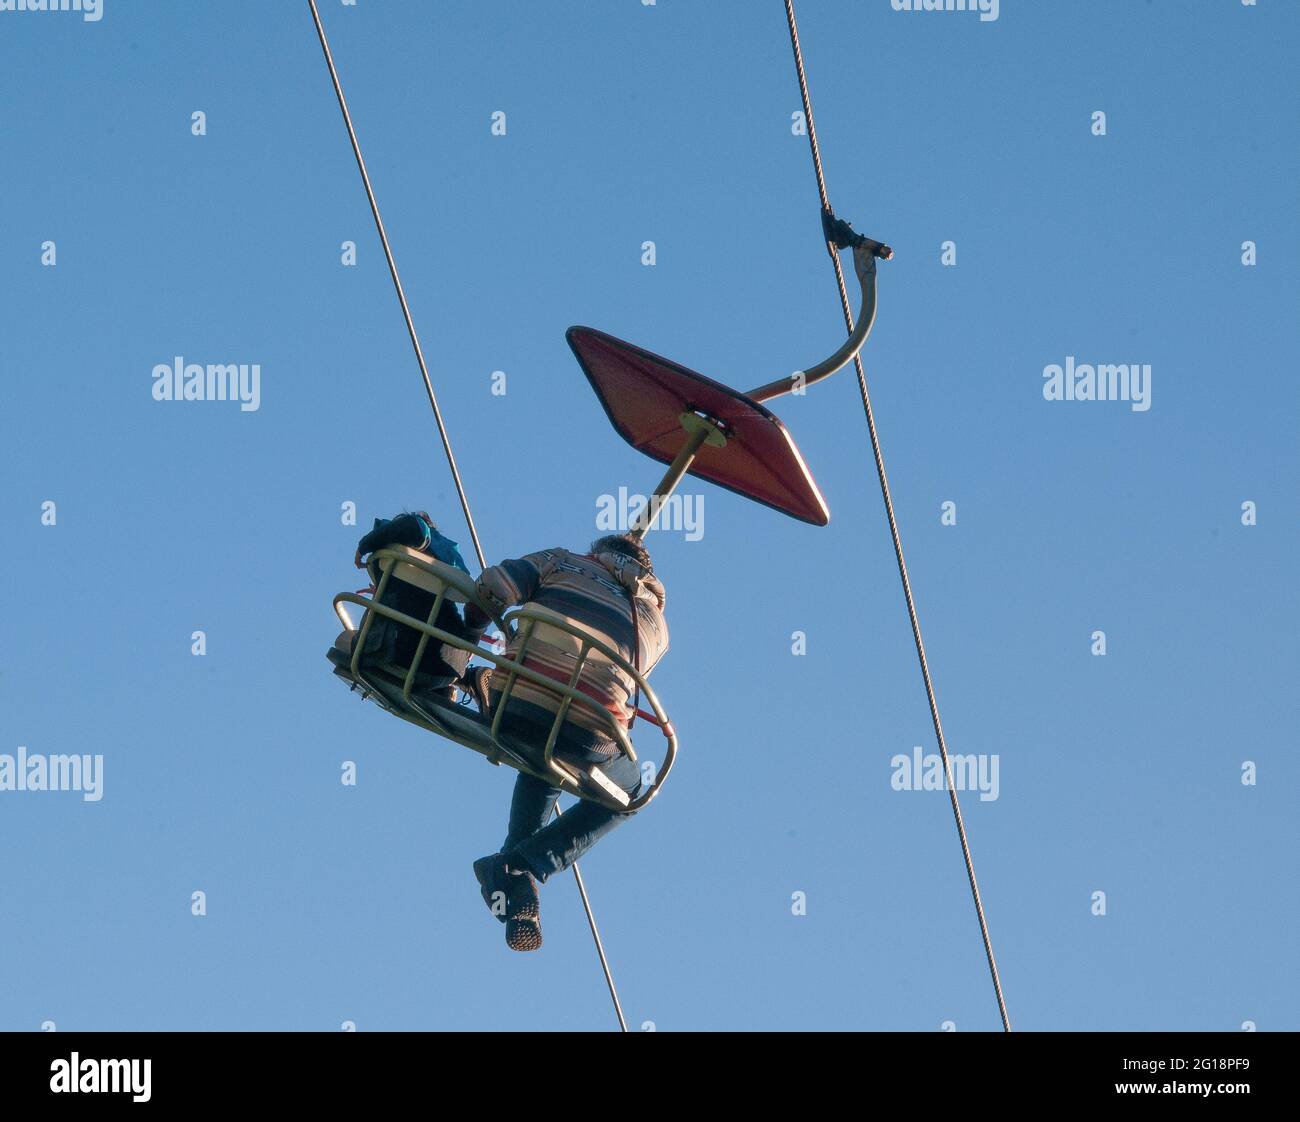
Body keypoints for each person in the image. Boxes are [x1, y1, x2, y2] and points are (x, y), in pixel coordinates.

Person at [469, 533, 668, 952]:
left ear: (597, 553)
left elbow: (494, 587)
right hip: (585, 734)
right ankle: (523, 864)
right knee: (630, 792)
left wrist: (469, 633)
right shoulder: (655, 622)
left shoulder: (560, 560)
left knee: (545, 753)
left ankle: (516, 877)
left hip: (514, 705)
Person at [353, 511, 492, 706]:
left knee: (345, 639)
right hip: (443, 670)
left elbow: (414, 527)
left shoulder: (405, 544)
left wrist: (364, 546)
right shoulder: (450, 575)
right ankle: (460, 680)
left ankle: (455, 682)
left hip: (389, 654)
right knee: (449, 636)